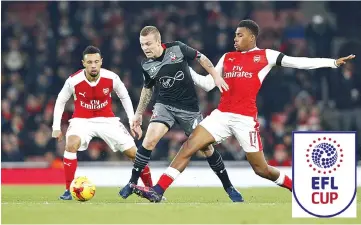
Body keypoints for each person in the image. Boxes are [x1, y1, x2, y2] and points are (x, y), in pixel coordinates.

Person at [130, 20, 356, 202]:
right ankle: (158, 190)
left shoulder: (265, 56)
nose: (235, 38)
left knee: (261, 169)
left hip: (245, 119)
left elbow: (298, 62)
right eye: (235, 35)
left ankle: (296, 187)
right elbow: (209, 84)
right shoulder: (227, 58)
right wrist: (185, 69)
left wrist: (332, 63)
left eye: (239, 35)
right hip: (221, 115)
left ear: (252, 37)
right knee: (189, 146)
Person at [119, 26, 244, 202]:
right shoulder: (146, 64)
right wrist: (138, 114)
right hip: (164, 105)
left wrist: (215, 75)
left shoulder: (176, 48)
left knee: (206, 148)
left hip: (189, 109)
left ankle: (228, 186)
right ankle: (132, 182)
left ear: (158, 41)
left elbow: (201, 57)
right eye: (142, 45)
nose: (145, 48)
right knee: (149, 139)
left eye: (148, 44)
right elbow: (147, 89)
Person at [52, 46, 152, 200]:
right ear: (83, 63)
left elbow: (124, 96)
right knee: (71, 144)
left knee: (134, 154)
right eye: (90, 62)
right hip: (81, 120)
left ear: (101, 62)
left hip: (108, 120)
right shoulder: (73, 80)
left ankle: (151, 190)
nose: (93, 65)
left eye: (96, 62)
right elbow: (60, 101)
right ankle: (68, 190)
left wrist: (133, 120)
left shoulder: (112, 77)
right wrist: (56, 127)